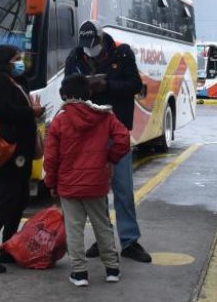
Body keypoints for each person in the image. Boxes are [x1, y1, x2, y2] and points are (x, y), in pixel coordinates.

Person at [64, 20, 152, 263]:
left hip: (117, 130)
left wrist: (107, 85)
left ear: (101, 40)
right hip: (89, 131)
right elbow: (66, 88)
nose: (88, 50)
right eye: (85, 47)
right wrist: (85, 86)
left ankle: (130, 240)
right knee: (96, 190)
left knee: (123, 188)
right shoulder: (75, 56)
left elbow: (135, 84)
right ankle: (103, 240)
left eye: (92, 46)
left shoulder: (122, 54)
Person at [44, 74, 130, 287]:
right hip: (96, 183)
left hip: (68, 184)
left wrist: (51, 183)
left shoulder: (60, 119)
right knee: (103, 226)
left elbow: (51, 157)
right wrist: (110, 158)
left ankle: (80, 273)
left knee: (74, 229)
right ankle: (112, 269)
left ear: (64, 94)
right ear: (89, 93)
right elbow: (123, 140)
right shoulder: (104, 116)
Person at [0, 44, 43, 274]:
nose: (20, 62)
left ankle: (7, 247)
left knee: (20, 199)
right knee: (6, 201)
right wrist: (30, 113)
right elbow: (4, 110)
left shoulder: (16, 80)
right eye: (16, 58)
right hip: (9, 152)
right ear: (5, 60)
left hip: (21, 151)